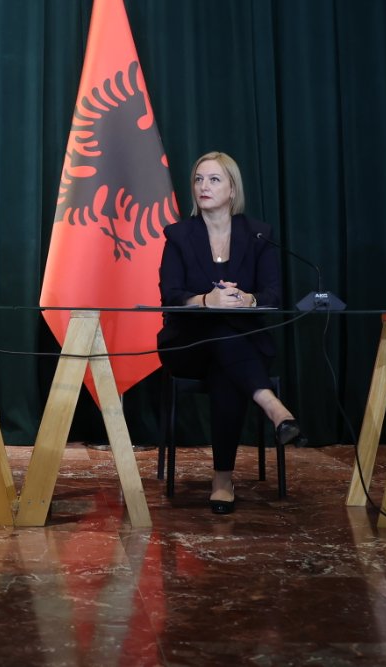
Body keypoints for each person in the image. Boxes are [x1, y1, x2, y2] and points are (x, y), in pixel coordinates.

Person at [157, 150, 298, 514]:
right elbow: (170, 296)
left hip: (237, 349)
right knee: (220, 329)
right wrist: (207, 300)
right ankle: (271, 405)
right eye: (198, 179)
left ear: (232, 189)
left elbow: (273, 295)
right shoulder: (179, 235)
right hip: (187, 345)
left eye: (214, 179)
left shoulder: (259, 235)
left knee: (226, 361)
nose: (203, 186)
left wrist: (249, 299)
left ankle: (222, 481)